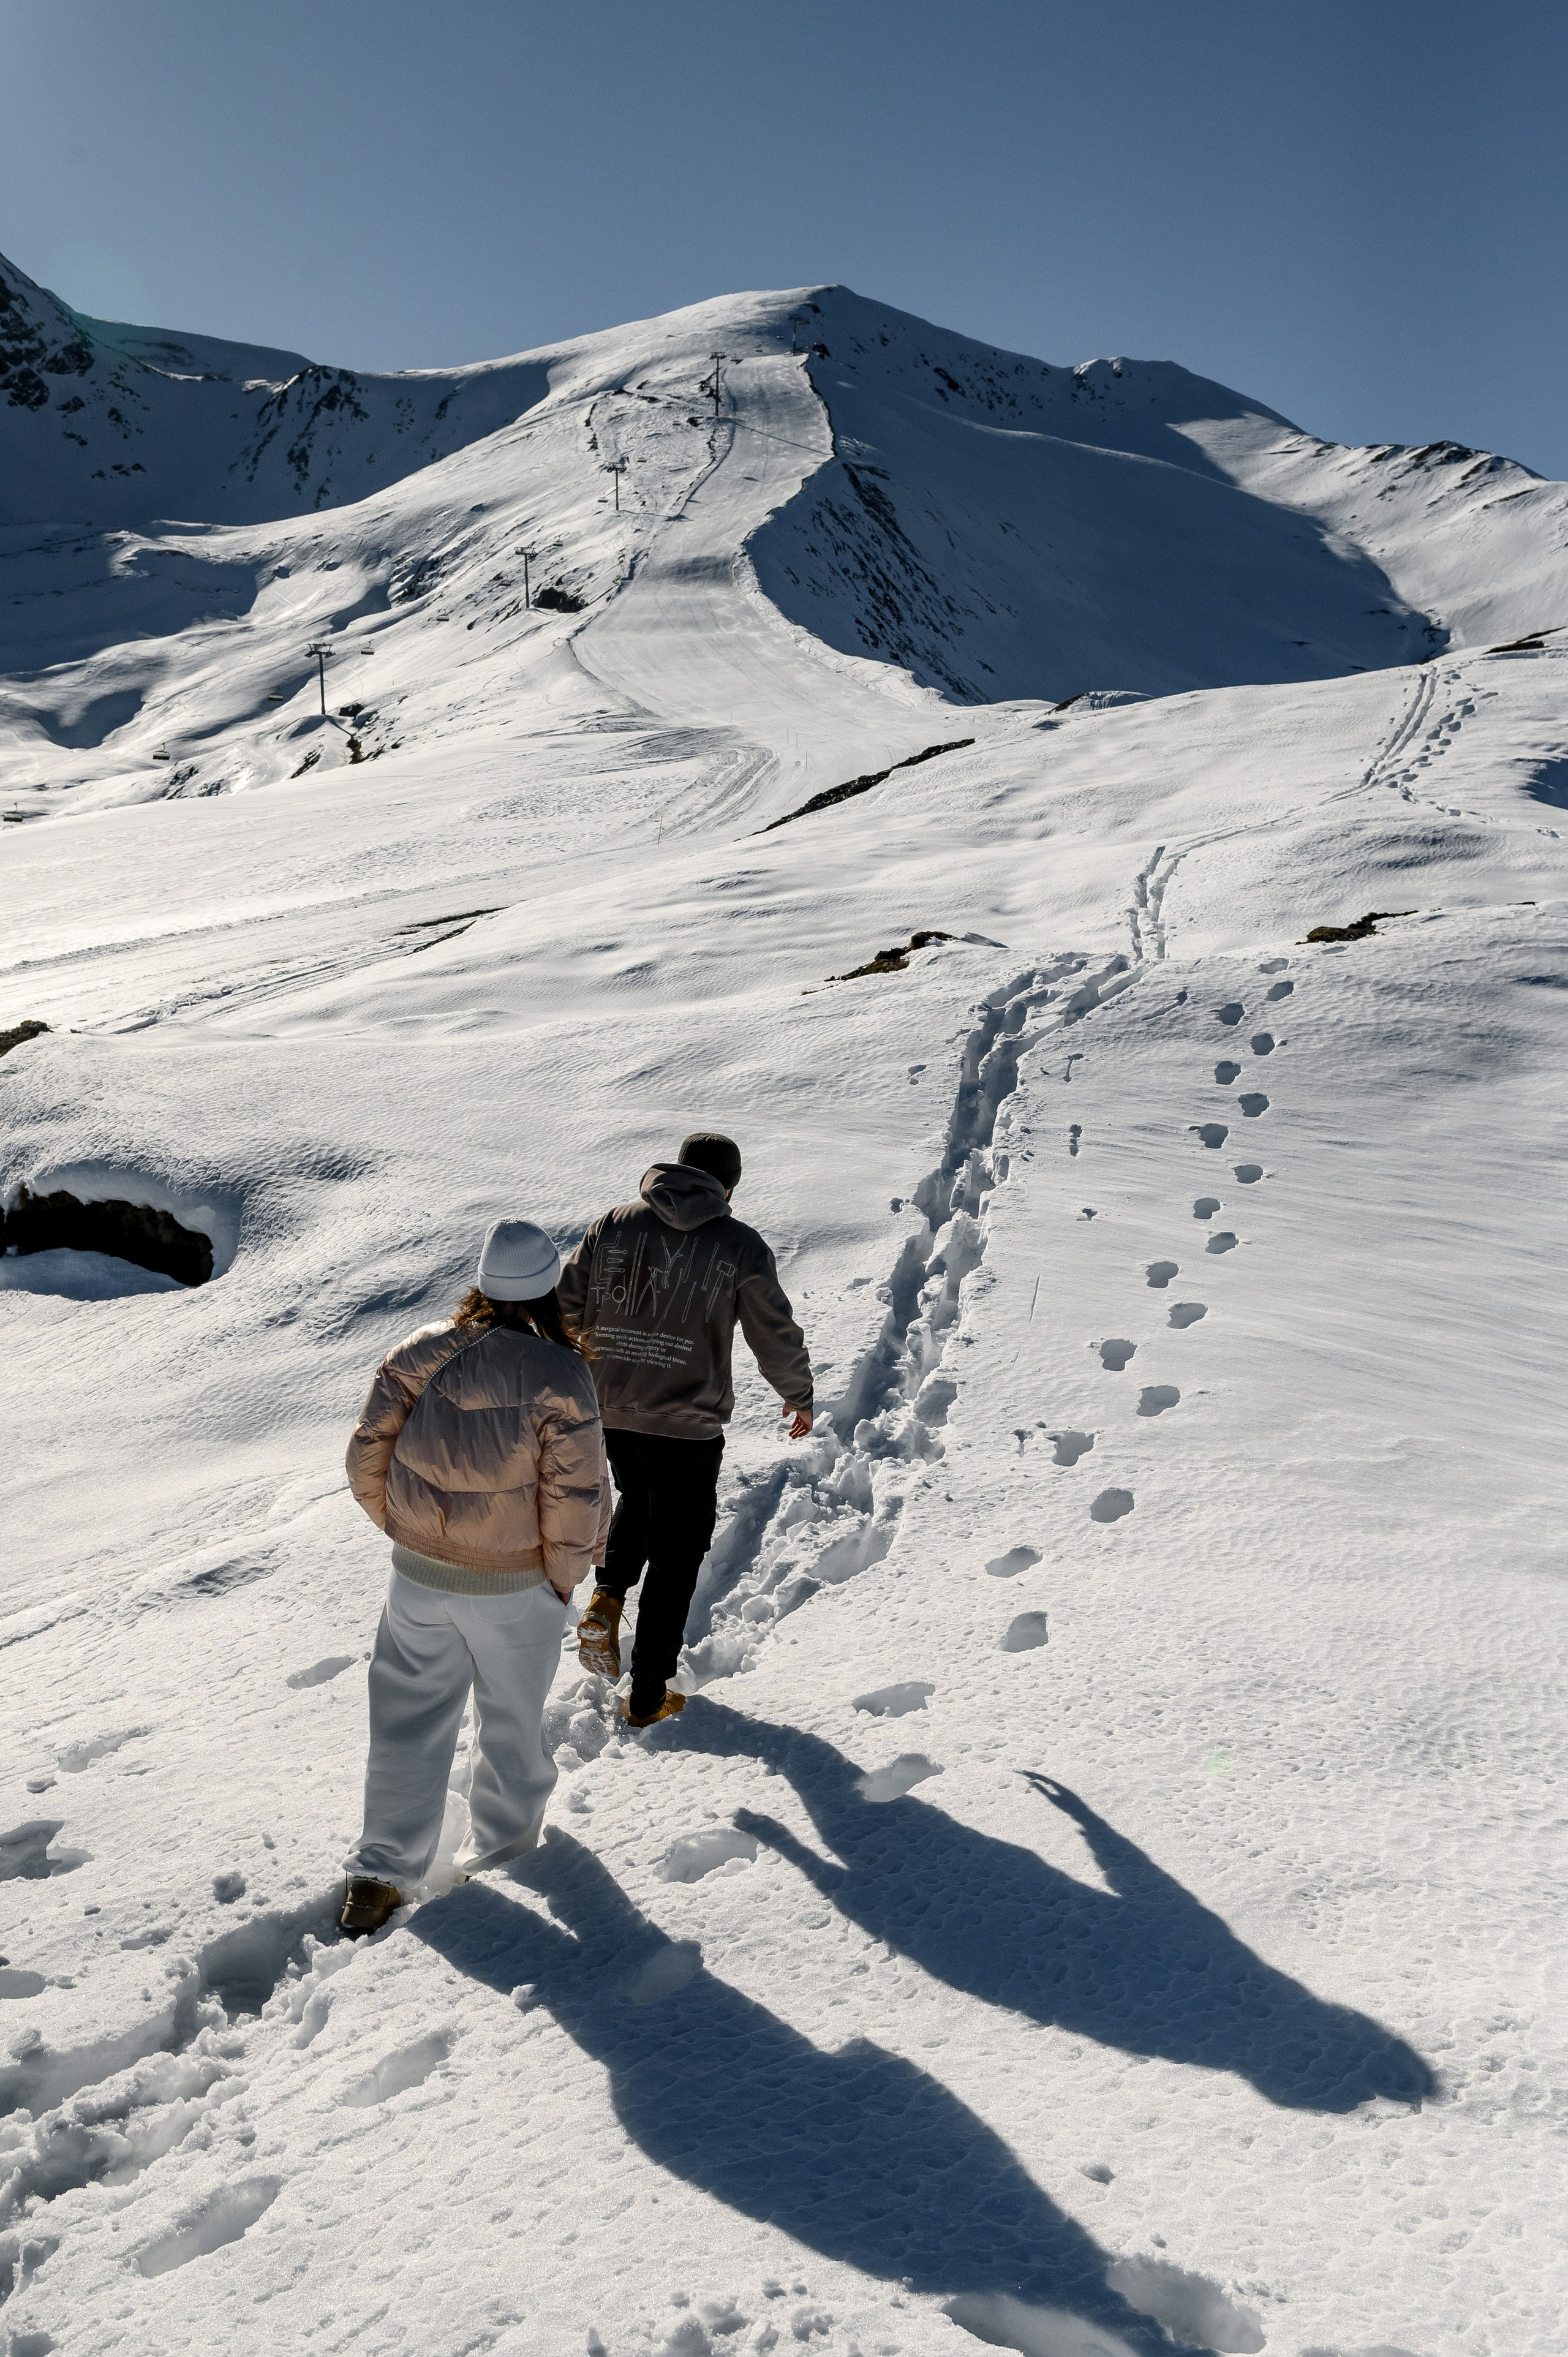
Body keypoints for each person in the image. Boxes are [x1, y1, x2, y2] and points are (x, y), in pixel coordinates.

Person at [337, 1216, 609, 1937]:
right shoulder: (562, 1374)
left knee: (405, 1723)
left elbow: (365, 1458)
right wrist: (562, 1579)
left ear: (484, 1281)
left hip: (418, 1579)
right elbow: (576, 1496)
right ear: (550, 1289)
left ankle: (378, 1875)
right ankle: (500, 1858)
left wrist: (412, 1535)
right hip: (515, 1585)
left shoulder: (419, 1351)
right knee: (512, 1725)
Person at [557, 1133, 813, 1729]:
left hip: (610, 1410)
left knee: (639, 1496)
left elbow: (566, 1304)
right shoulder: (738, 1244)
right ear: (729, 1186)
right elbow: (772, 1330)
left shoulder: (613, 1225)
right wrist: (797, 1394)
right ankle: (648, 1696)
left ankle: (608, 1596)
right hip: (686, 1425)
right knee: (677, 1553)